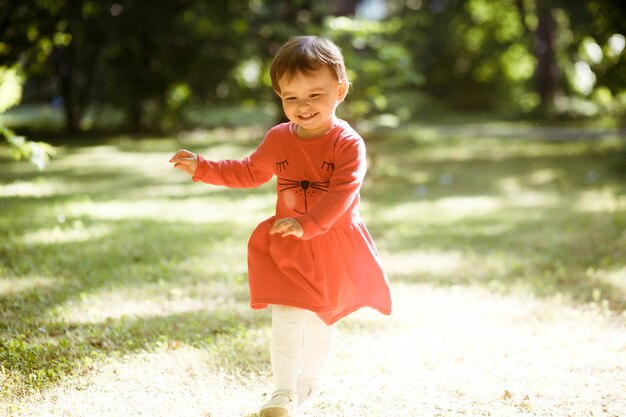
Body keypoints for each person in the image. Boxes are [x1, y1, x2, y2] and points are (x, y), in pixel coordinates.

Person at [169, 36, 392, 417]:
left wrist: (309, 224)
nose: (303, 107)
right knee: (286, 315)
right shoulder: (278, 139)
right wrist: (203, 167)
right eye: (291, 98)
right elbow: (248, 171)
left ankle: (309, 381)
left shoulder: (347, 143)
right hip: (289, 241)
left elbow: (342, 193)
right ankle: (282, 393)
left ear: (340, 91)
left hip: (332, 243)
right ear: (279, 96)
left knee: (324, 318)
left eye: (314, 95)